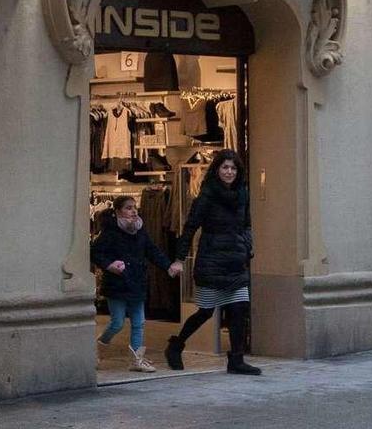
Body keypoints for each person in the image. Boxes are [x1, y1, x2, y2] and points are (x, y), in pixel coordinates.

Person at [164, 149, 261, 375]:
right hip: (212, 261)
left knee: (239, 309)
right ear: (217, 170)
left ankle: (236, 360)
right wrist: (179, 259)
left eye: (233, 168)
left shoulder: (242, 194)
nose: (229, 172)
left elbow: (246, 223)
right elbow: (190, 228)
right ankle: (176, 345)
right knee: (206, 311)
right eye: (225, 167)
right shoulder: (207, 195)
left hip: (236, 263)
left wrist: (247, 244)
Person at [91, 195, 183, 372]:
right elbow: (96, 253)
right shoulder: (110, 231)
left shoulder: (140, 230)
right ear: (118, 211)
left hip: (137, 281)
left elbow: (152, 250)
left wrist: (168, 266)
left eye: (134, 207)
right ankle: (97, 348)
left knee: (139, 322)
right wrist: (110, 265)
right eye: (128, 208)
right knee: (117, 322)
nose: (133, 211)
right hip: (117, 283)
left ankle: (136, 360)